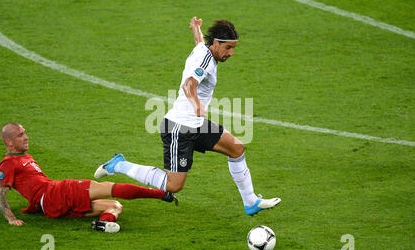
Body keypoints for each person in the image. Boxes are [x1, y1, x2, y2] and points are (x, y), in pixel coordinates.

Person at [95, 17, 281, 216]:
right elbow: (189, 85)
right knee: (173, 185)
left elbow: (199, 42)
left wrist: (196, 29)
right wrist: (197, 105)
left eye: (233, 48)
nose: (231, 53)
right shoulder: (206, 61)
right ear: (216, 43)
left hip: (197, 124)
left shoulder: (204, 49)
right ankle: (119, 164)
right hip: (179, 128)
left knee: (236, 148)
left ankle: (250, 202)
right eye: (228, 48)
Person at [0, 122, 177, 233]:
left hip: (51, 204)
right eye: (20, 135)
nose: (26, 137)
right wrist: (11, 218)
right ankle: (161, 194)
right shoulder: (8, 163)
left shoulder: (23, 156)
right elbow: (0, 194)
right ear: (9, 142)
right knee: (108, 187)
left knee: (115, 206)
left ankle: (104, 224)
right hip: (53, 193)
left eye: (25, 132)